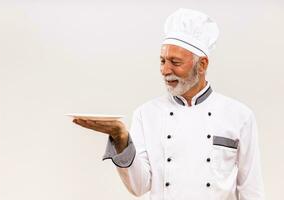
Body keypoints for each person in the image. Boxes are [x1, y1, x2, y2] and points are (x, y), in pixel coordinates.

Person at [72, 8, 265, 200]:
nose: (165, 70)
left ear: (203, 64)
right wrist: (120, 137)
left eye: (175, 62)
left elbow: (251, 190)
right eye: (162, 61)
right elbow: (139, 186)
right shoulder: (146, 114)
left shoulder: (239, 115)